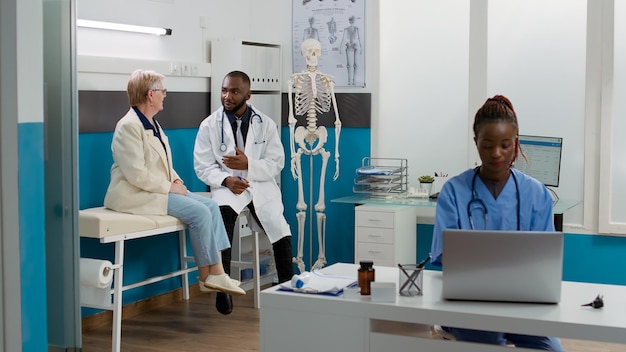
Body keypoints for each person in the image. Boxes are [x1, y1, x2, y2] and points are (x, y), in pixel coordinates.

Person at [429, 95, 564, 351]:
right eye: (487, 145)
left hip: (522, 302)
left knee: (552, 349)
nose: (496, 153)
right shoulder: (453, 192)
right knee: (490, 342)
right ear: (476, 143)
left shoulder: (537, 194)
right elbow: (446, 255)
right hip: (468, 301)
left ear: (516, 143)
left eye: (505, 144)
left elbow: (546, 259)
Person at [103, 69, 245, 302]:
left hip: (156, 188)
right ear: (150, 94)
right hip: (135, 194)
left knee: (211, 206)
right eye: (162, 91)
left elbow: (162, 162)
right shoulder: (128, 126)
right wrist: (169, 187)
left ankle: (210, 274)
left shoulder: (151, 123)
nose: (165, 95)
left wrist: (175, 179)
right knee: (199, 212)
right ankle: (213, 275)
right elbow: (136, 174)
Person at [194, 71, 294, 315]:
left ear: (247, 95)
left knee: (279, 229)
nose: (227, 96)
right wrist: (226, 179)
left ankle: (288, 290)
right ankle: (223, 287)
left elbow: (276, 162)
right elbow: (202, 166)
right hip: (228, 187)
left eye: (235, 91)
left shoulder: (266, 124)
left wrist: (249, 165)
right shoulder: (209, 124)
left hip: (259, 185)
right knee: (223, 215)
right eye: (224, 90)